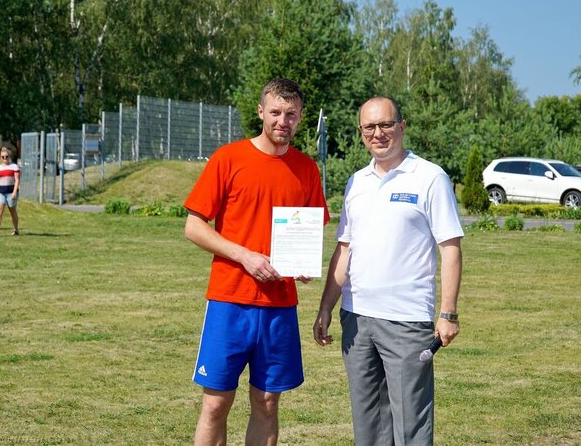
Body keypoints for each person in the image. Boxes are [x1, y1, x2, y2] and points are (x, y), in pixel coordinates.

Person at [183, 78, 329, 445]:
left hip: (279, 306)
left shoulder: (306, 169)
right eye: (276, 112)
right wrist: (244, 256)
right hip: (229, 301)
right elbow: (194, 227)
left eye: (291, 114)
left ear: (301, 117)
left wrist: (302, 263)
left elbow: (311, 229)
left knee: (267, 404)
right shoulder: (229, 158)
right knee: (215, 404)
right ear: (261, 111)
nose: (283, 121)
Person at [313, 96, 464, 445]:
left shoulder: (430, 177)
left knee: (411, 427)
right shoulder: (356, 182)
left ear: (402, 127)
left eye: (385, 125)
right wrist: (326, 307)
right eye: (369, 127)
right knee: (368, 427)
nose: (378, 133)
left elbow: (450, 248)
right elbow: (345, 249)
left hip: (406, 320)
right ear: (361, 132)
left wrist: (448, 313)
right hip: (356, 319)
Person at [0, 147, 21, 236]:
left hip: (11, 191)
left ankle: (16, 229)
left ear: (9, 156)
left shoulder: (14, 166)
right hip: (0, 191)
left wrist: (14, 192)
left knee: (12, 211)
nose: (5, 158)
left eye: (6, 156)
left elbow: (17, 180)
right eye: (2, 157)